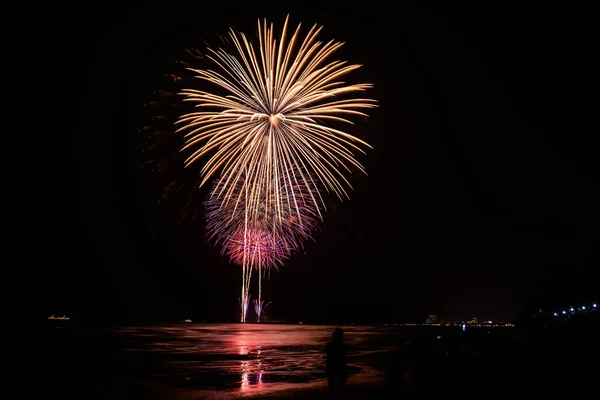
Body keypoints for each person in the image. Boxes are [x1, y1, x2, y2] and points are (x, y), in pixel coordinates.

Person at [325, 328, 348, 392]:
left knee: (333, 385)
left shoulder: (330, 345)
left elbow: (327, 352)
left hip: (333, 367)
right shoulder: (343, 346)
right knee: (340, 385)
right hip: (340, 367)